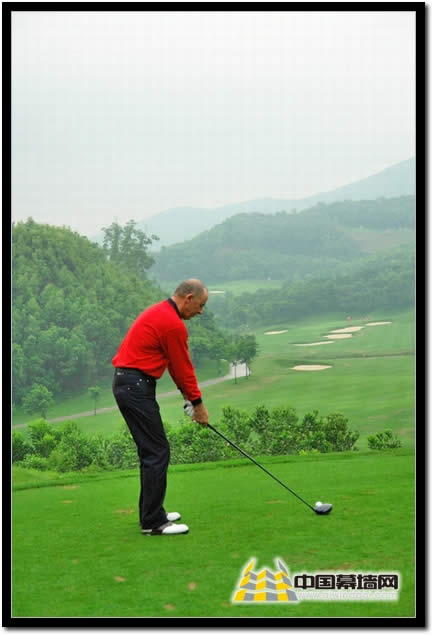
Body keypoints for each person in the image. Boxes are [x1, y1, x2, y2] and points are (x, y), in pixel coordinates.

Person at [112, 279, 209, 536]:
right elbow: (183, 368)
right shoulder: (173, 324)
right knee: (157, 451)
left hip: (130, 384)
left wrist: (189, 399)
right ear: (188, 298)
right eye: (200, 305)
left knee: (151, 450)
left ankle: (151, 512)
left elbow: (176, 368)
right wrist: (198, 405)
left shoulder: (161, 312)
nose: (201, 311)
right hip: (134, 387)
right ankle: (153, 522)